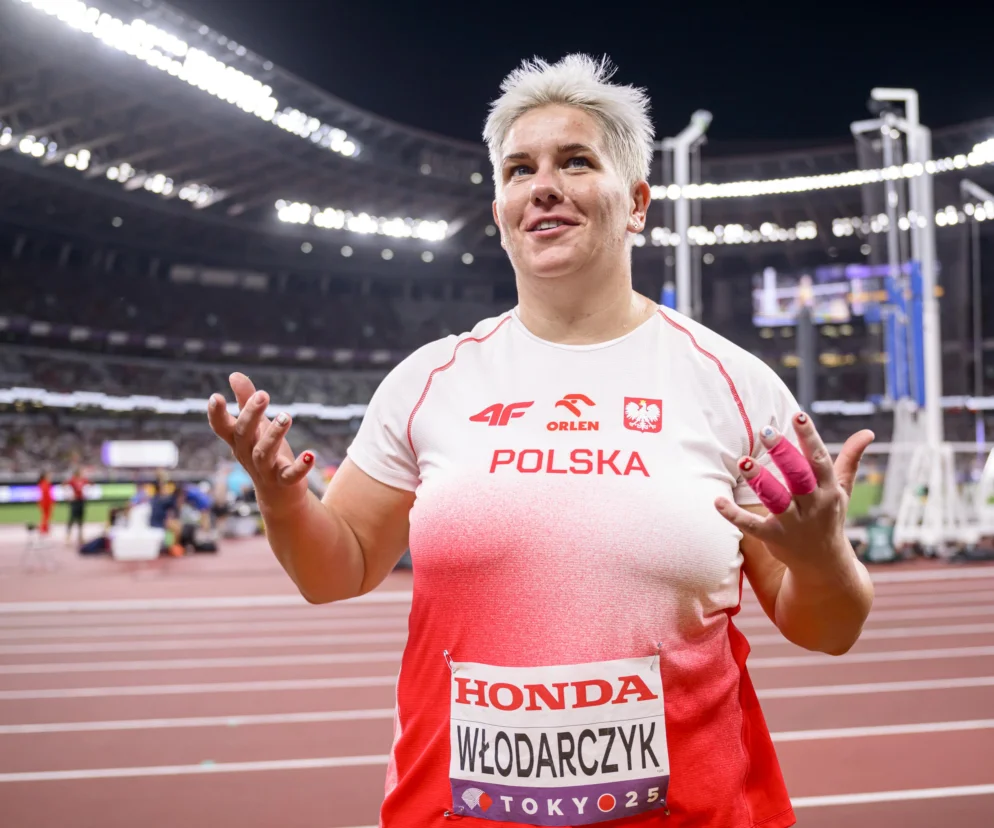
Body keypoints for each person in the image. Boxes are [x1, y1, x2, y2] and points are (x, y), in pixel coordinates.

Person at [208, 55, 874, 828]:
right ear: (500, 210)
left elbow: (829, 628)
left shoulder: (734, 386)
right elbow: (340, 569)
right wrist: (283, 500)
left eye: (576, 161)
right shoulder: (431, 381)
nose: (543, 185)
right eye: (519, 169)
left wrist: (822, 557)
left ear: (636, 203)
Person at [65, 466, 88, 548]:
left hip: (81, 501)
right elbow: (65, 486)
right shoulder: (72, 480)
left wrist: (86, 493)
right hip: (74, 502)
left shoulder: (84, 480)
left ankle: (80, 536)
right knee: (72, 519)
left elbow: (90, 485)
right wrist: (69, 496)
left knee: (81, 519)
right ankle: (68, 537)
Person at [37, 471, 54, 538]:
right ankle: (43, 529)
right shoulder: (44, 483)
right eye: (48, 475)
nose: (49, 477)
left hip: (46, 502)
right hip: (45, 502)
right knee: (45, 516)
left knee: (47, 516)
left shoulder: (45, 483)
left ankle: (45, 528)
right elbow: (45, 494)